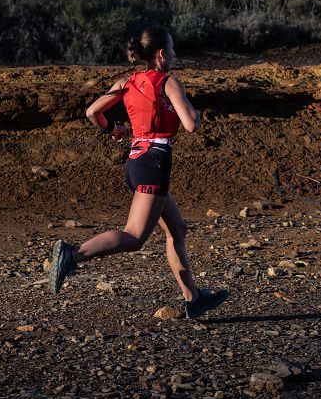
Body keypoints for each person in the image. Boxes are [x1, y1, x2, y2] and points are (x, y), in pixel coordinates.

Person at [48, 25, 229, 319]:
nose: (174, 54)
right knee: (134, 237)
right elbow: (190, 125)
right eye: (171, 49)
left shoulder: (127, 82)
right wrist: (193, 112)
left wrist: (114, 129)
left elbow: (92, 112)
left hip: (137, 164)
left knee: (176, 230)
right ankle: (73, 254)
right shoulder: (168, 83)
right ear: (161, 54)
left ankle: (193, 298)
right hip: (153, 165)